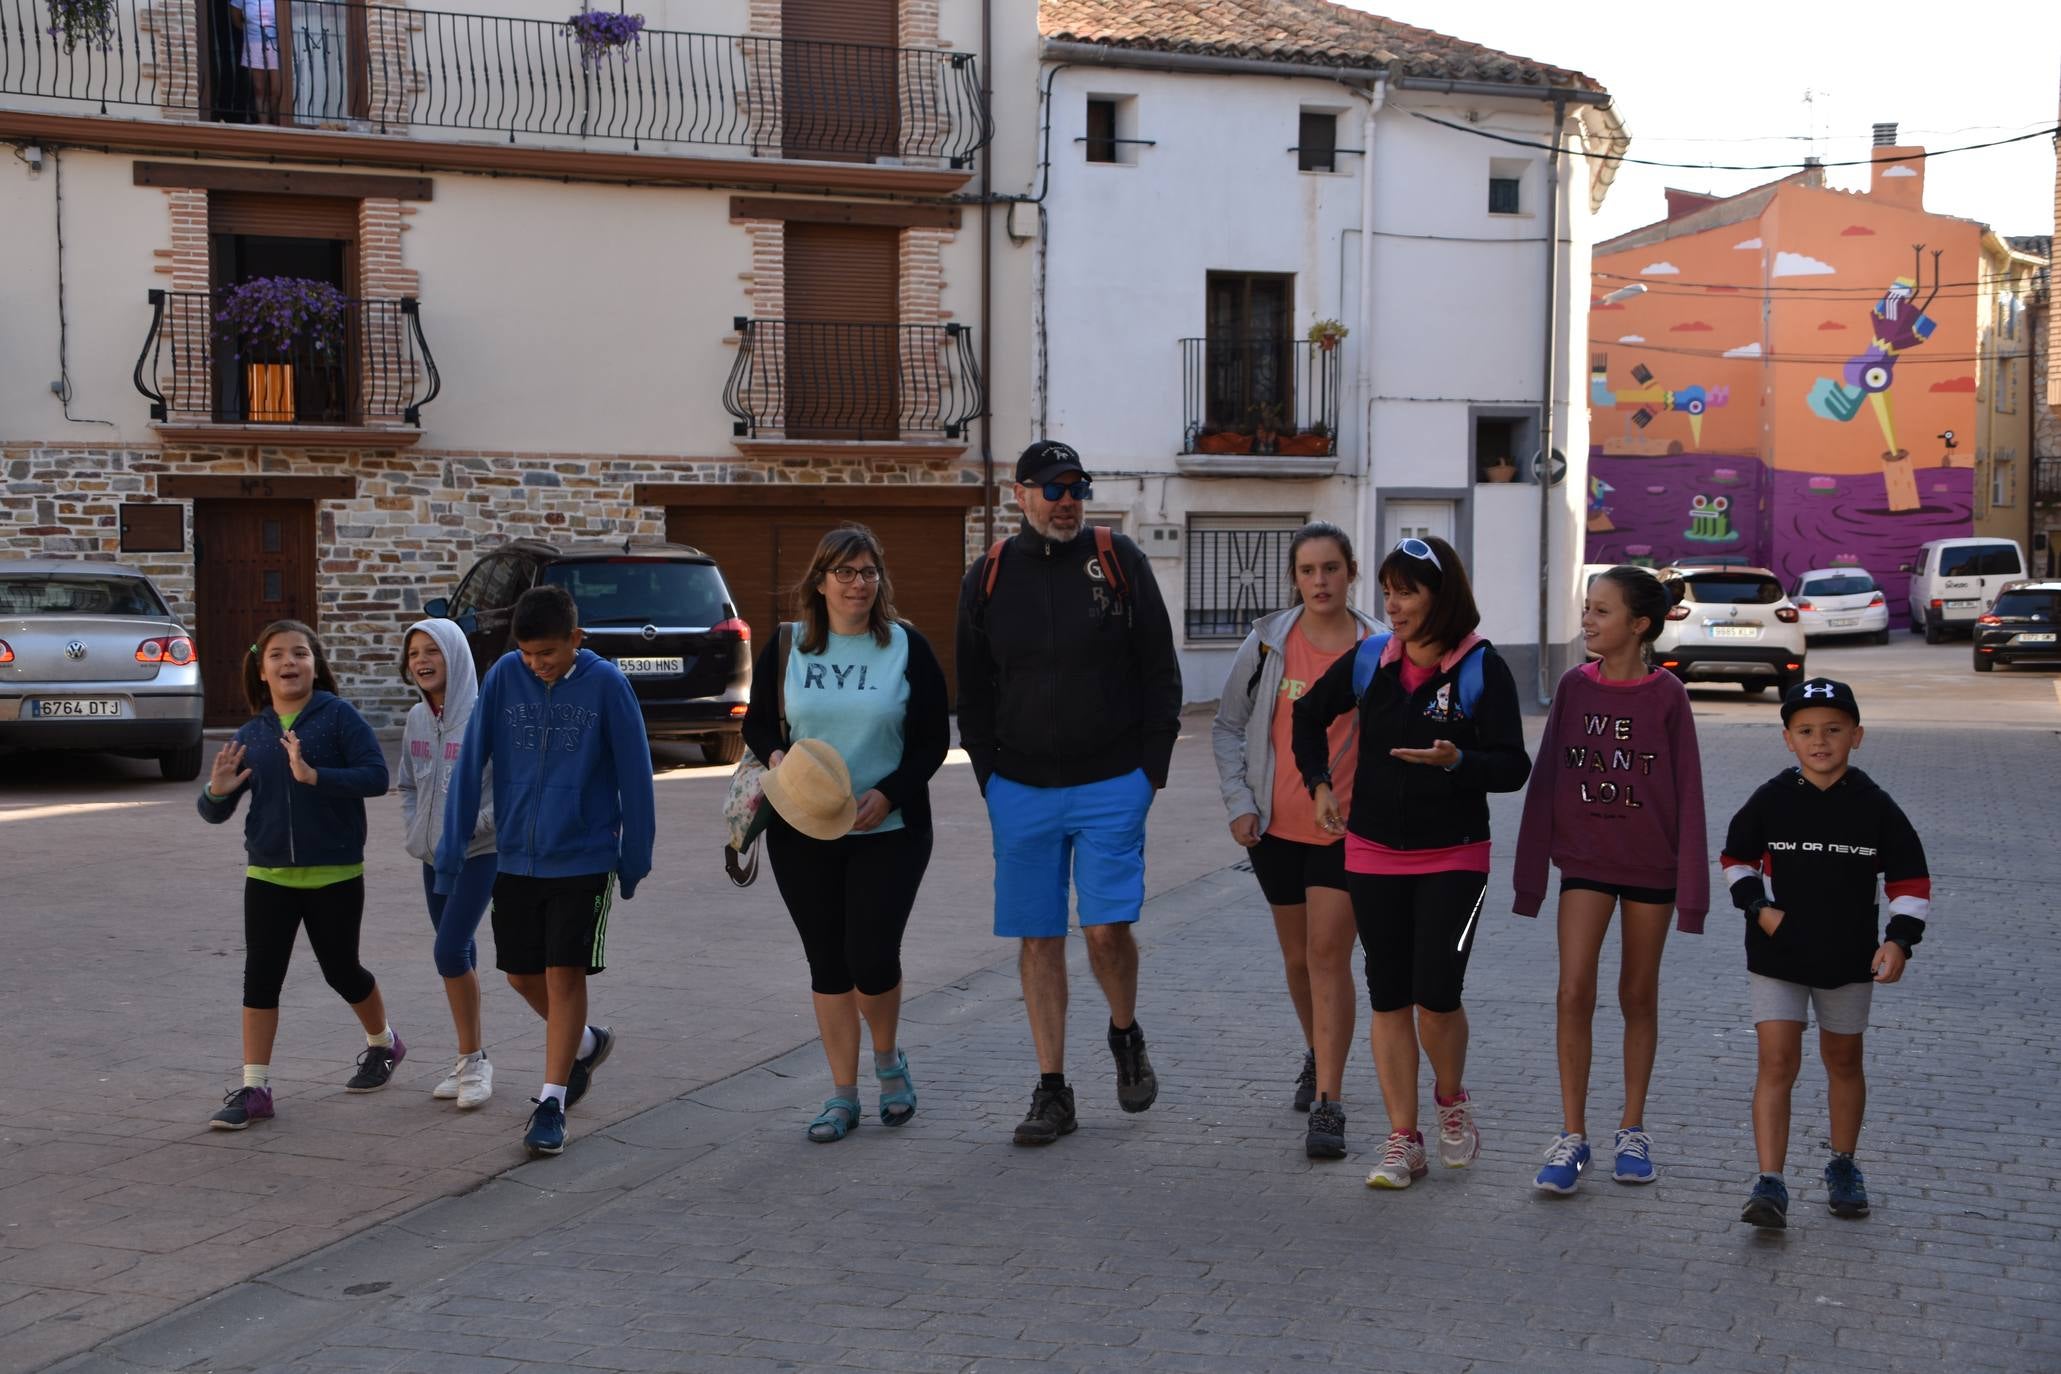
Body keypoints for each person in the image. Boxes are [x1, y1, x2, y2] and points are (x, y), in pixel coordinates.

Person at [956, 440, 1182, 1146]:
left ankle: (1124, 1032)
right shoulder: (988, 576)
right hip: (1021, 788)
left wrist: (1149, 772)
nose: (1066, 502)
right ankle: (1052, 1089)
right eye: (1052, 489)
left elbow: (1159, 669)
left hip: (1112, 782)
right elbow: (973, 687)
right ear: (1019, 494)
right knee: (1039, 937)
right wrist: (990, 777)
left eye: (1076, 488)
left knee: (1106, 930)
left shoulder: (1118, 560)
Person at [1291, 536, 1530, 1190]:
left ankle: (1450, 1099)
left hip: (1454, 856)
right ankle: (1404, 1139)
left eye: (1407, 593)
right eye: (1388, 592)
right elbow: (1306, 715)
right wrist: (1319, 786)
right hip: (1370, 853)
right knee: (1389, 994)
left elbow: (1513, 767)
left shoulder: (1482, 667)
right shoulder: (1371, 658)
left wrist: (1458, 762)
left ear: (1440, 596)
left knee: (1437, 993)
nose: (1392, 606)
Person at [743, 525, 950, 1143]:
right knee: (828, 961)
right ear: (820, 581)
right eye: (845, 572)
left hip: (889, 829)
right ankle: (842, 1095)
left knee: (872, 955)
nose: (858, 584)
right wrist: (778, 757)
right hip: (803, 828)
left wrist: (889, 793)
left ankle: (887, 1059)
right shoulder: (789, 645)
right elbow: (758, 723)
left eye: (868, 572)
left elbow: (933, 740)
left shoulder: (906, 646)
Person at [436, 584, 656, 1158]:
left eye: (548, 653)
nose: (537, 664)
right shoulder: (505, 677)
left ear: (576, 639)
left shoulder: (607, 685)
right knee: (520, 974)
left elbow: (636, 776)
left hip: (584, 857)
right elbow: (471, 762)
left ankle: (552, 1102)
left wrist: (634, 859)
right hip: (515, 855)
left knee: (564, 974)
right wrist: (452, 847)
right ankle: (584, 1043)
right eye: (528, 653)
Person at [1512, 566, 1708, 1193]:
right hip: (1586, 863)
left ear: (1639, 624)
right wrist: (1530, 879)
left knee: (1637, 995)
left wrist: (1693, 895)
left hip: (1651, 866)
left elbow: (1689, 791)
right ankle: (1573, 1136)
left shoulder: (1668, 696)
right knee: (1573, 991)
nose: (1587, 620)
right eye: (1587, 608)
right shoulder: (1574, 687)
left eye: (1601, 611)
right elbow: (1547, 777)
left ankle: (1632, 1129)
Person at [1721, 678, 1930, 1229]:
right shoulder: (1771, 798)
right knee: (1777, 1062)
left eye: (1834, 730)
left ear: (1856, 736)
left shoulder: (1875, 806)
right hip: (1778, 956)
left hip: (1848, 959)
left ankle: (1843, 1165)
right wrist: (1758, 908)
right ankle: (1770, 1182)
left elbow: (1910, 880)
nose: (1820, 741)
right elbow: (1736, 859)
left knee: (1843, 1061)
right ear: (1788, 739)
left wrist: (1899, 940)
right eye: (1806, 731)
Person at [1210, 521, 1381, 1159]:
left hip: (1347, 830)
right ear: (1295, 578)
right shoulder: (1267, 644)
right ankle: (1317, 1051)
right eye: (1308, 571)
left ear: (1351, 572)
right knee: (1298, 959)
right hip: (1274, 827)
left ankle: (1329, 1099)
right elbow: (1228, 726)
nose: (1320, 581)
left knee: (1328, 956)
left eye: (1331, 568)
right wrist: (1239, 804)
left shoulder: (1378, 647)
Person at [197, 619, 397, 1130]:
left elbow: (377, 776)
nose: (290, 662)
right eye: (277, 655)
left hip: (335, 872)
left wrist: (315, 776)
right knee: (260, 979)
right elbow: (214, 812)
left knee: (342, 971)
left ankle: (383, 1043)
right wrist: (216, 791)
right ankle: (255, 1087)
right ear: (261, 670)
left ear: (316, 664)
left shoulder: (339, 718)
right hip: (267, 876)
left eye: (300, 653)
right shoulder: (251, 735)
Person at [399, 617, 497, 1110]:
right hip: (433, 858)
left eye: (432, 650)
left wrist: (465, 829)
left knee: (449, 952)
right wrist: (419, 831)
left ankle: (474, 1062)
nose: (422, 660)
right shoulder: (416, 719)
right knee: (460, 955)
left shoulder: (485, 717)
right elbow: (408, 784)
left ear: (455, 656)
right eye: (414, 652)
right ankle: (470, 1058)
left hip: (479, 854)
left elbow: (509, 795)